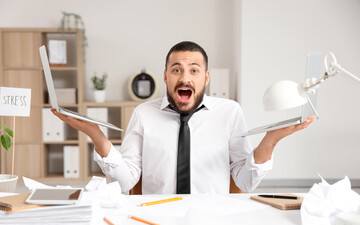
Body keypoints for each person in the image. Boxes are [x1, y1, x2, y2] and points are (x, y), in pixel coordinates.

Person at [52, 41, 314, 194]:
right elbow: (127, 181)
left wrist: (270, 140)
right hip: (156, 220)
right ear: (165, 76)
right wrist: (96, 136)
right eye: (176, 70)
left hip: (214, 221)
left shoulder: (230, 112)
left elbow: (245, 183)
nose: (185, 78)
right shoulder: (144, 113)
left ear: (206, 78)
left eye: (194, 70)